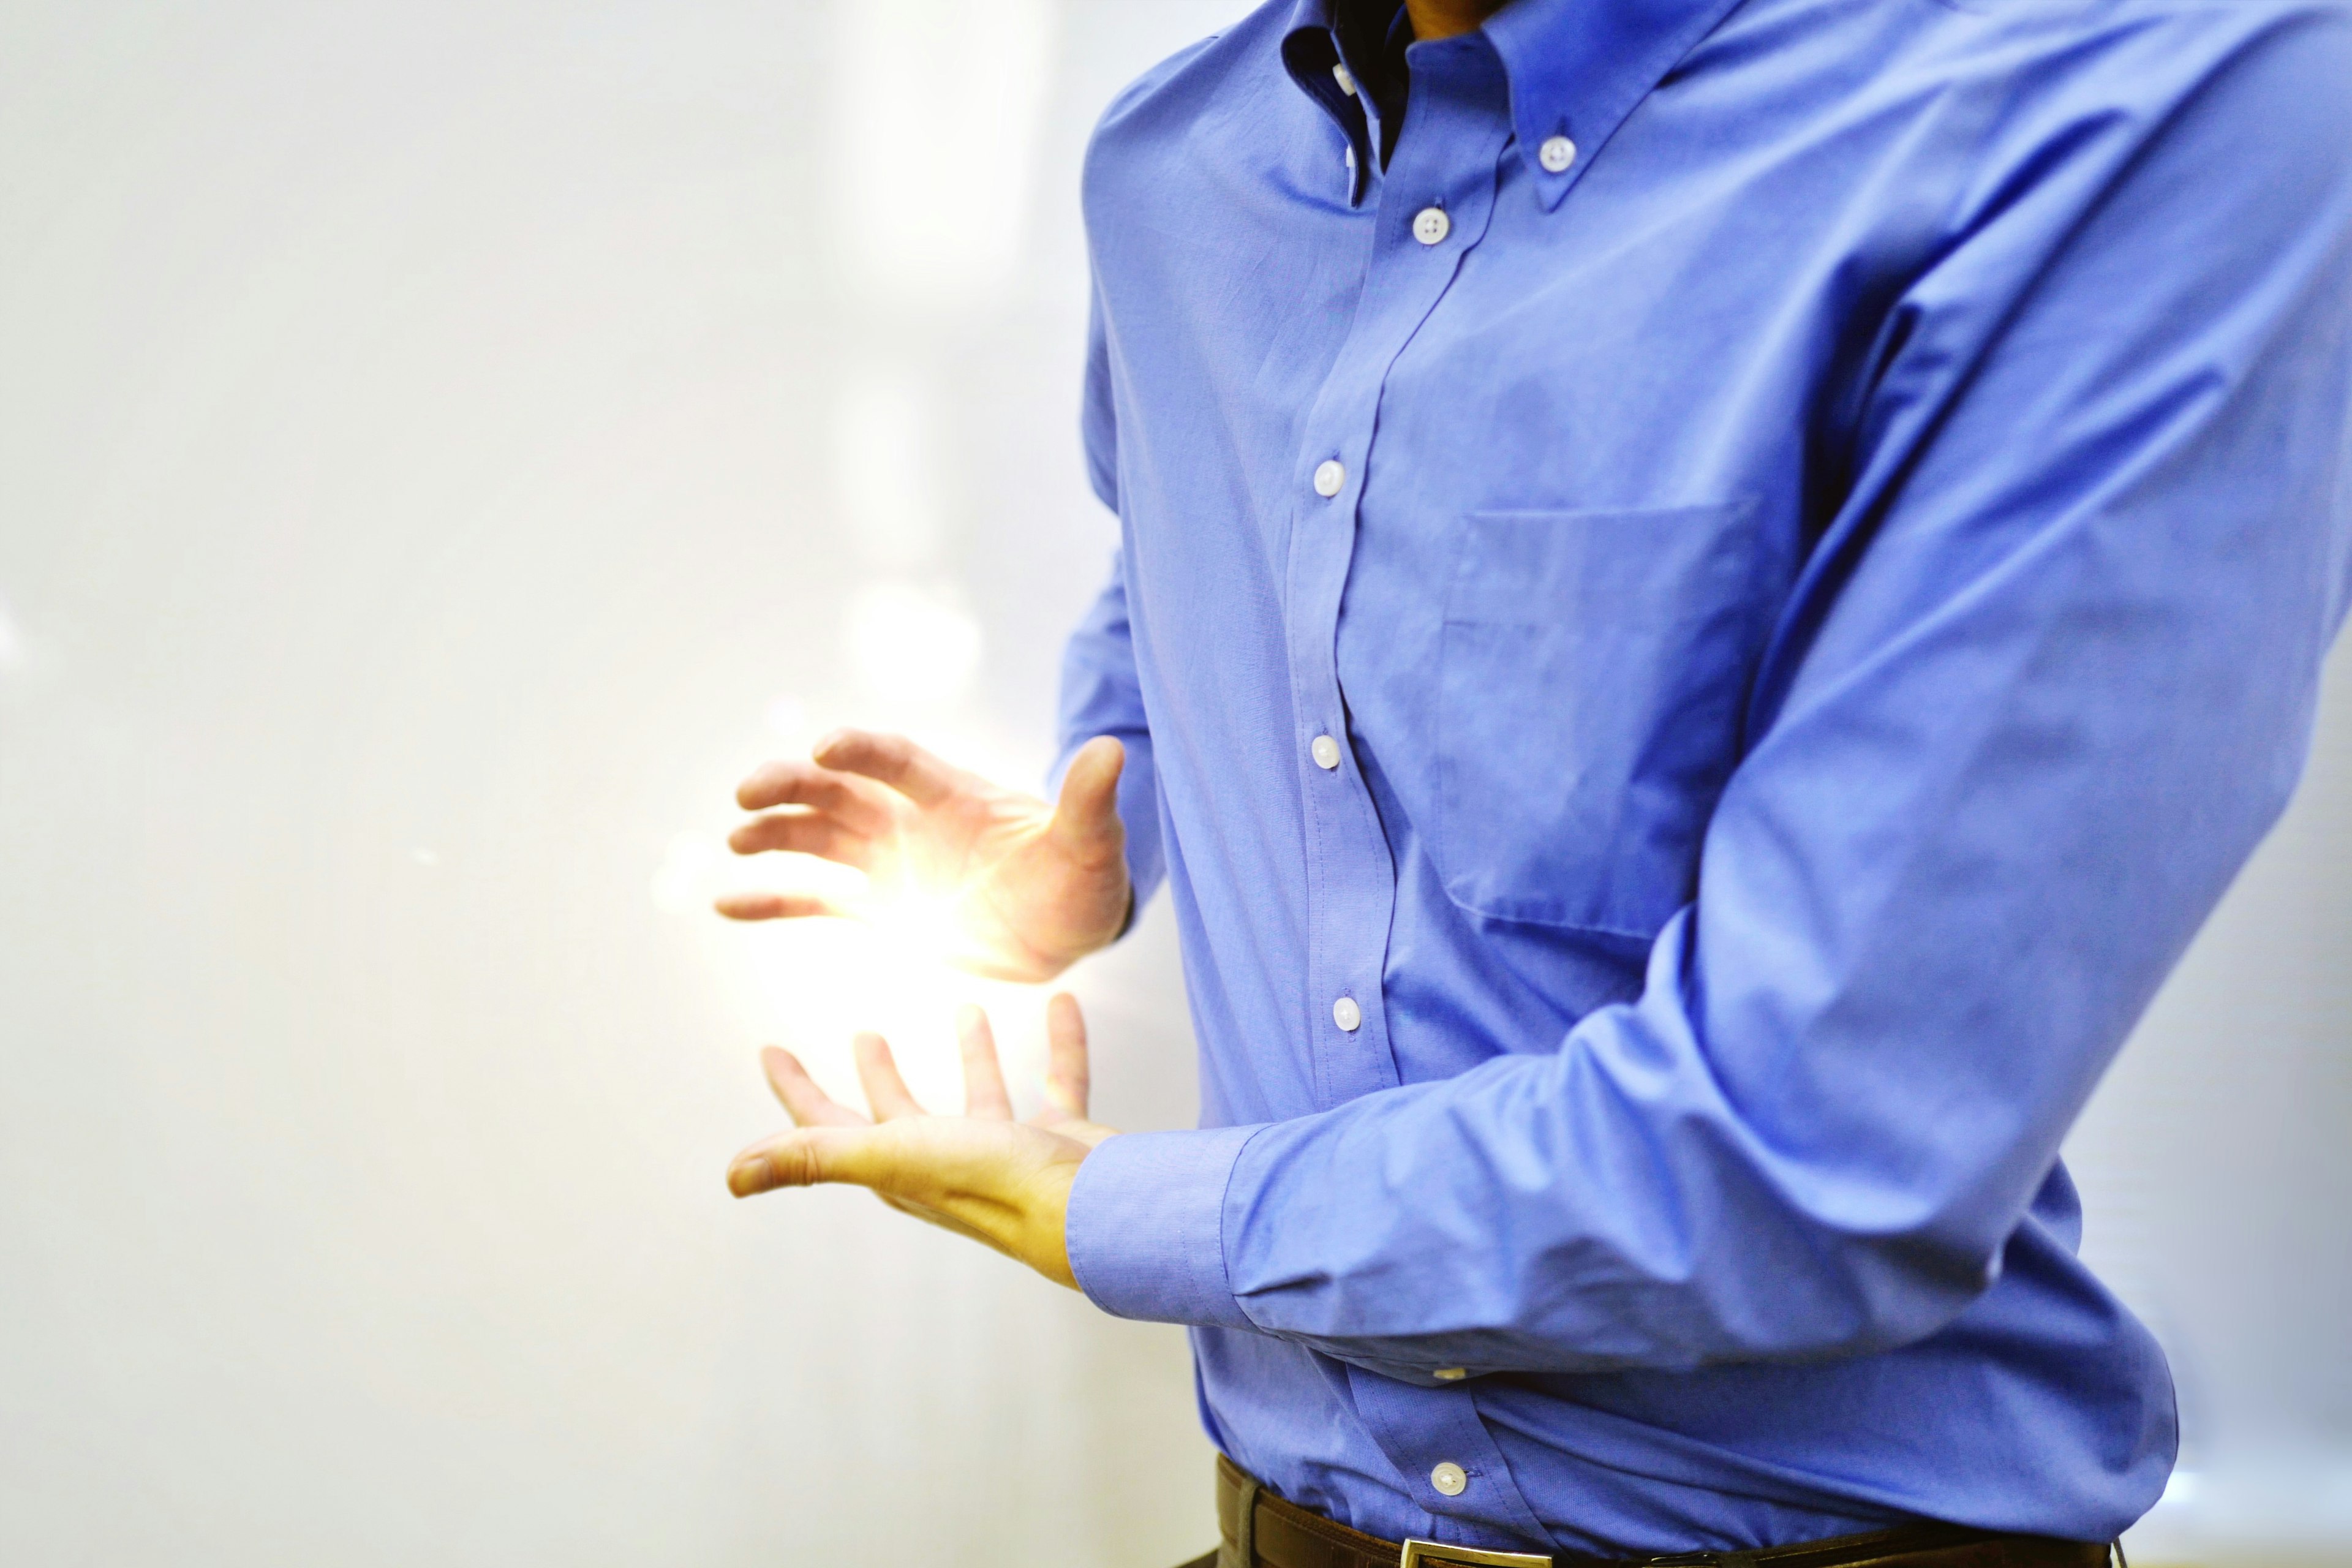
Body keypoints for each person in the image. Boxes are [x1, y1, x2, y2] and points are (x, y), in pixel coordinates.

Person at [717, 0, 2352, 1563]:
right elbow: (1186, 555)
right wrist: (1115, 806)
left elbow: (1800, 1165)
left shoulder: (2124, 126)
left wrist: (1108, 1209)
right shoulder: (1175, 170)